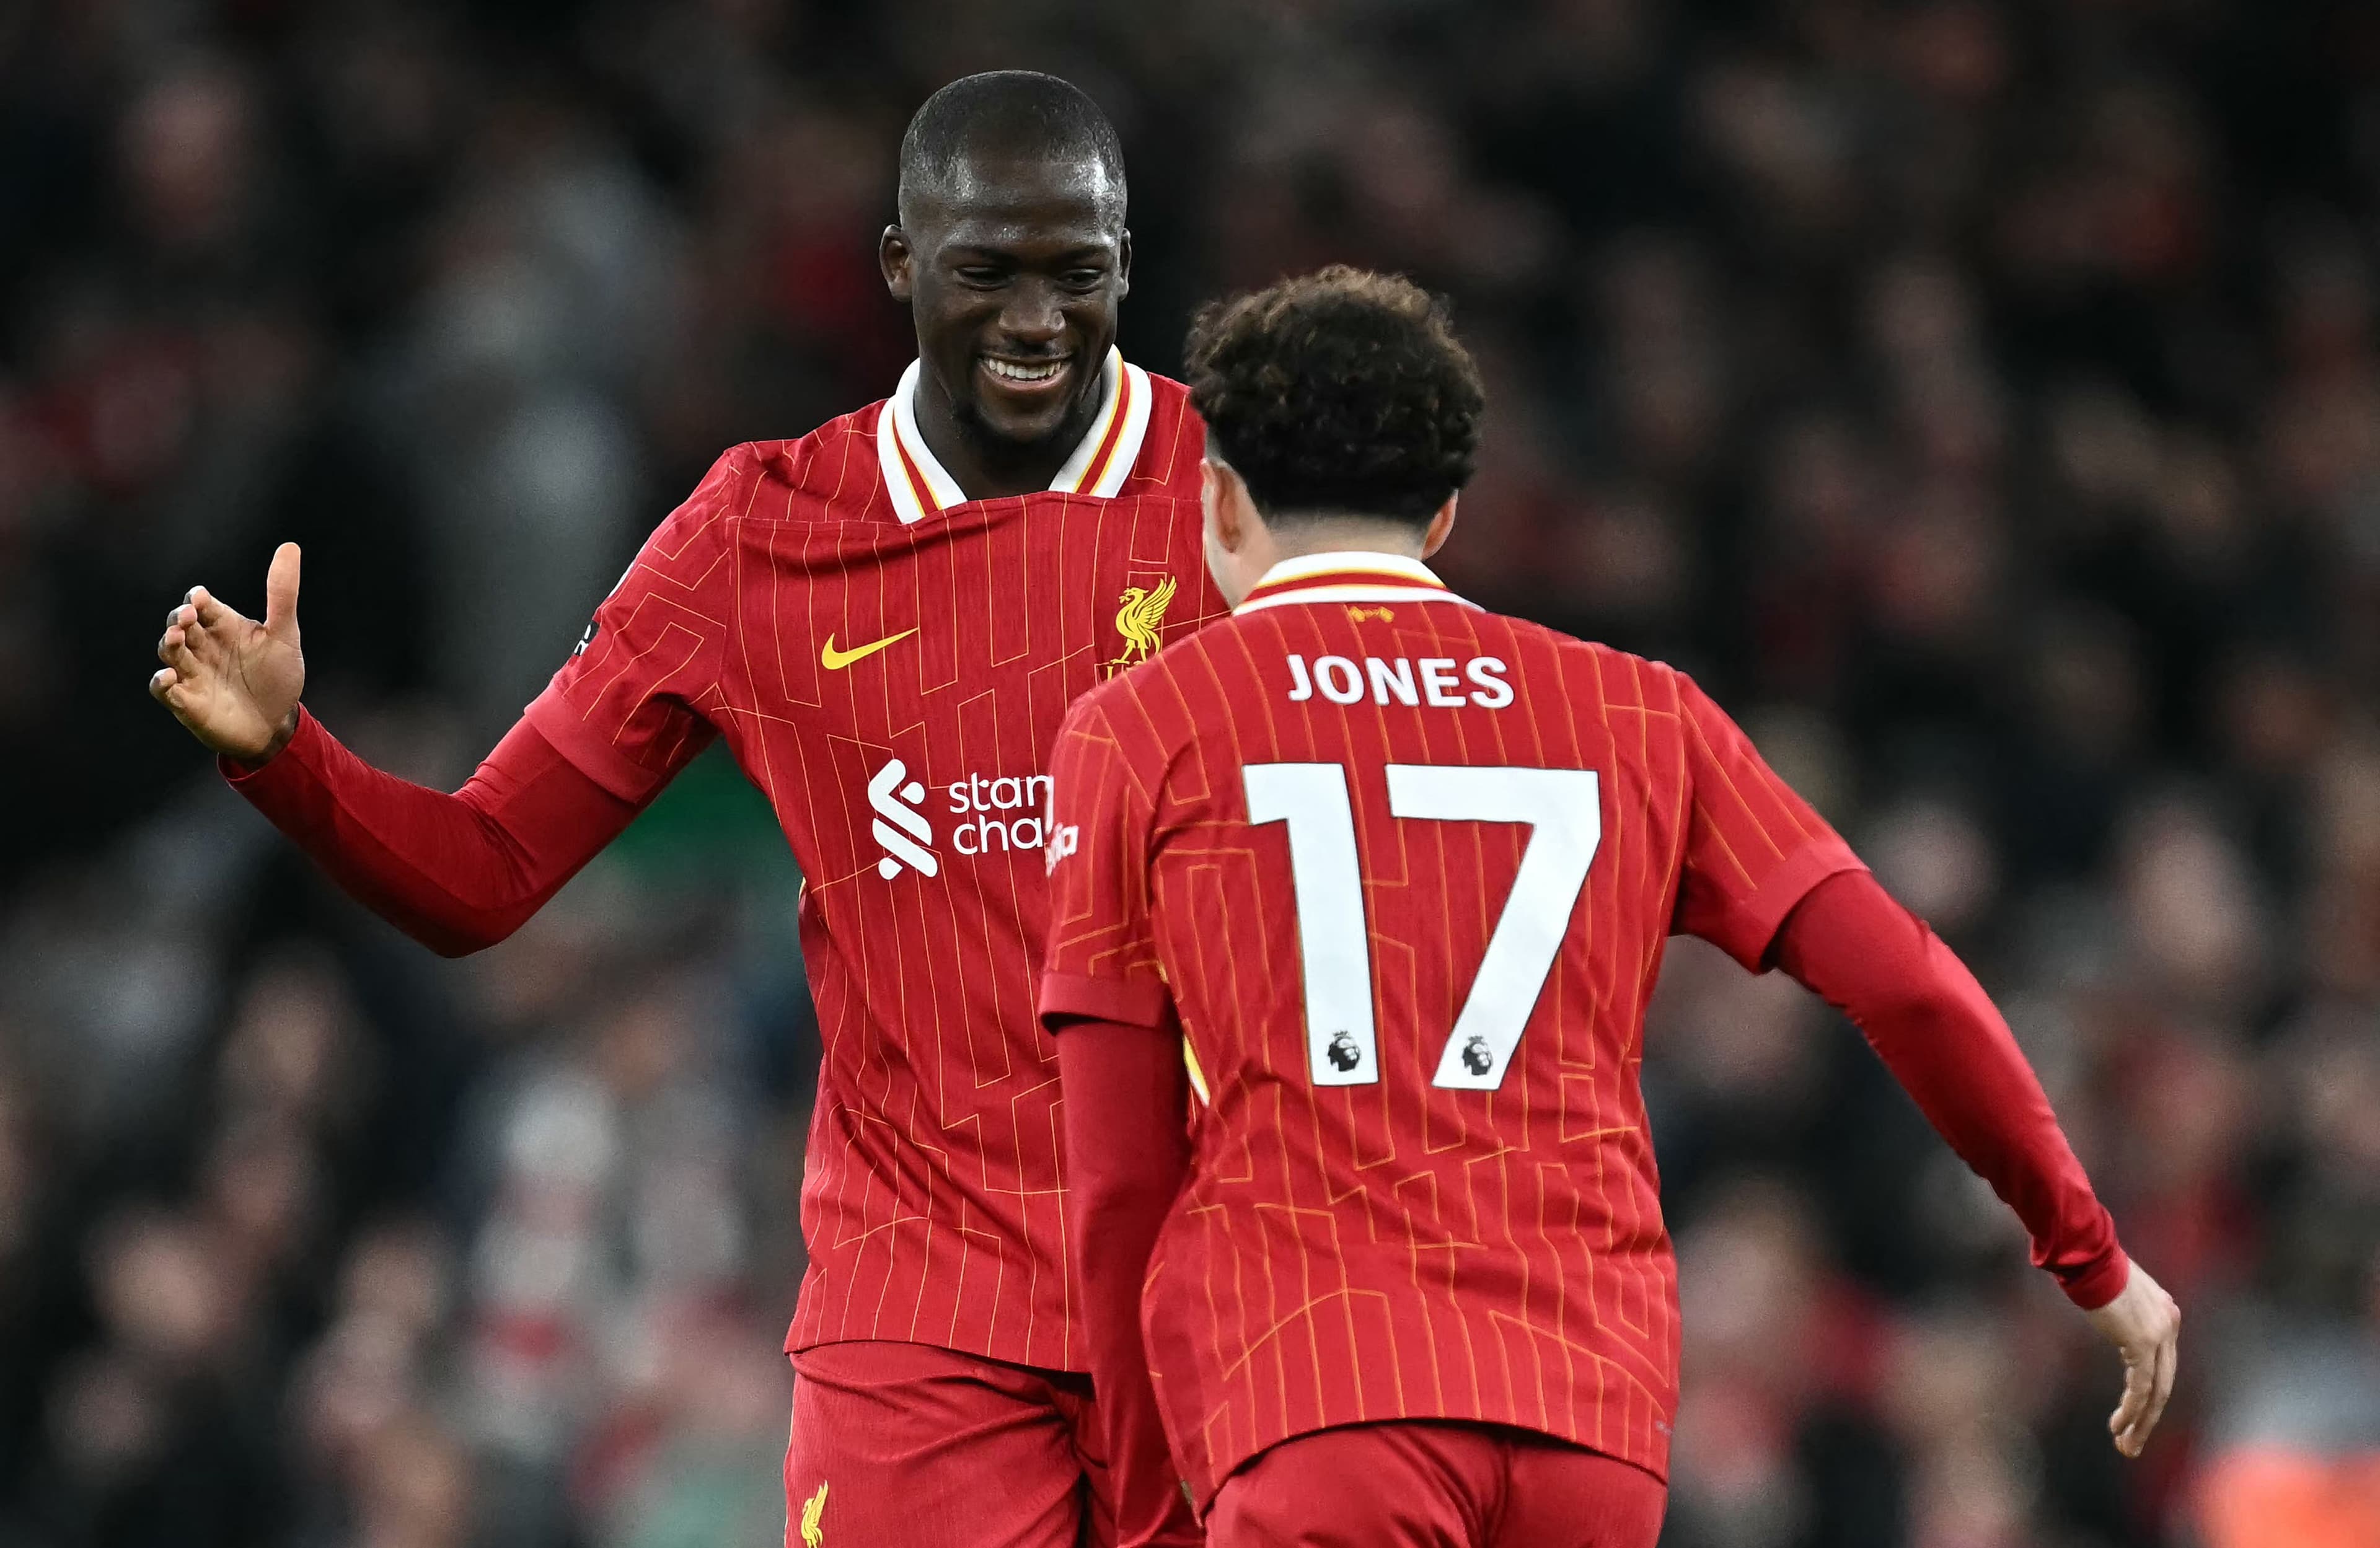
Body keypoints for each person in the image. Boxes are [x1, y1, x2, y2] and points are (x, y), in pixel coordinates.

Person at [151, 71, 1212, 1548]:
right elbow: (489, 870)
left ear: (1125, 266)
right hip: (924, 1319)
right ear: (901, 267)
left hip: (1208, 1292)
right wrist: (288, 757)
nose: (1038, 320)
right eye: (987, 271)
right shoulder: (759, 533)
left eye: (1076, 273)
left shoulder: (1233, 508)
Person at [1038, 266, 2182, 1547]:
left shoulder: (1143, 730)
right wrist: (2086, 1250)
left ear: (1221, 497)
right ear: (1446, 512)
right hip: (1587, 1413)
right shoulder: (1643, 714)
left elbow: (1118, 1175)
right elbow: (1907, 980)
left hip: (1318, 1395)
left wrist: (1144, 1512)